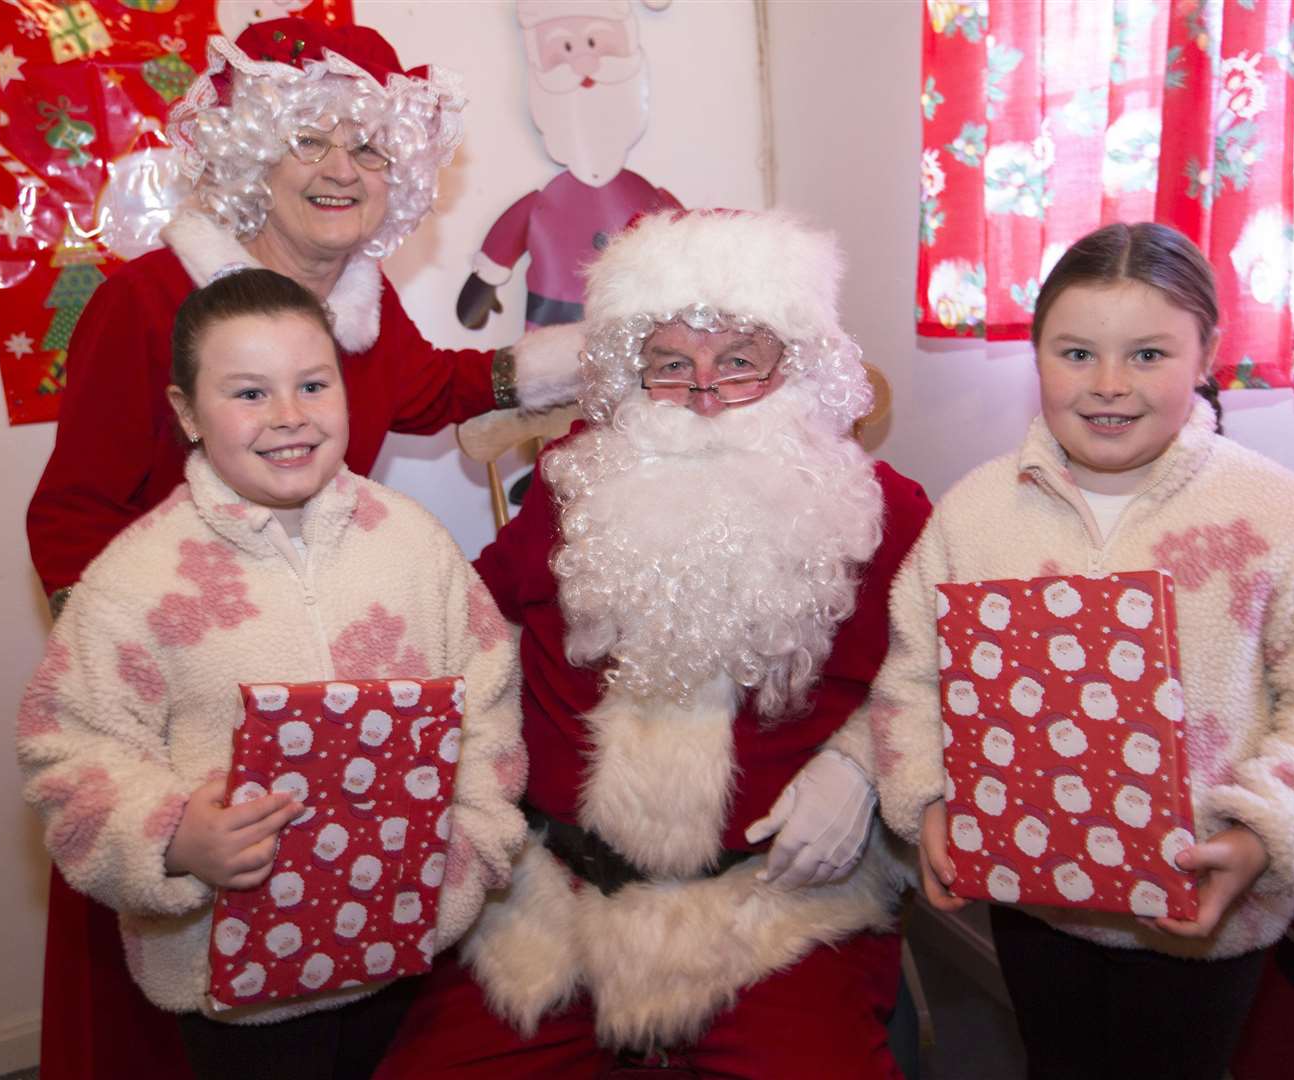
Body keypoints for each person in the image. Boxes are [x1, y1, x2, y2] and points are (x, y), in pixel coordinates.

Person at [23, 19, 572, 1076]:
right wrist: (134, 701)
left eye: (367, 149)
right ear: (249, 151)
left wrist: (587, 358)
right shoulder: (147, 304)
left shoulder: (357, 311)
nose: (340, 171)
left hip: (337, 719)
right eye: (308, 141)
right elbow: (70, 519)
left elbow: (437, 392)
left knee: (356, 1019)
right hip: (192, 728)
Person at [374, 208, 934, 1078]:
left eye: (740, 362)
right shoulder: (576, 482)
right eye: (672, 366)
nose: (705, 394)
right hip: (548, 909)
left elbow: (944, 670)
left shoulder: (881, 508)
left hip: (773, 919)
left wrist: (862, 760)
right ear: (631, 376)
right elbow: (465, 625)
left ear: (798, 364)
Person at [868, 222, 1294, 1080]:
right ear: (1038, 356)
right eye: (1077, 353)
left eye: (1149, 355)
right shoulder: (976, 514)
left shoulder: (1281, 520)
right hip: (1034, 907)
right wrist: (929, 802)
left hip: (1204, 922)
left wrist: (1262, 835)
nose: (1108, 386)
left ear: (1206, 355)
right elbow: (915, 676)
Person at [17, 268, 528, 1080]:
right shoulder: (135, 581)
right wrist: (171, 838)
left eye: (312, 385)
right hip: (235, 993)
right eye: (249, 393)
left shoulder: (415, 546)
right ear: (186, 412)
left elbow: (490, 700)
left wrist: (468, 855)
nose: (289, 417)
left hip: (410, 952)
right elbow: (69, 756)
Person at [456, 0, 680, 331]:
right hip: (554, 333)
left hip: (636, 335)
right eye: (566, 48)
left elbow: (690, 240)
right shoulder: (546, 204)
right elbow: (513, 229)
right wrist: (484, 281)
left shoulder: (648, 198)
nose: (584, 62)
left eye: (594, 43)